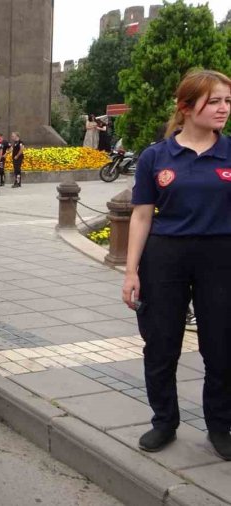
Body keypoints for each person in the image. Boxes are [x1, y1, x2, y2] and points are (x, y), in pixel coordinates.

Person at [122, 69, 231, 460]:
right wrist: (132, 271)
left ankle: (220, 425)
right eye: (214, 101)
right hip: (165, 257)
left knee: (221, 346)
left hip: (220, 258)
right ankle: (164, 421)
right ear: (186, 107)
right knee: (161, 343)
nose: (223, 109)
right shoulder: (157, 156)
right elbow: (140, 215)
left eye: (227, 101)